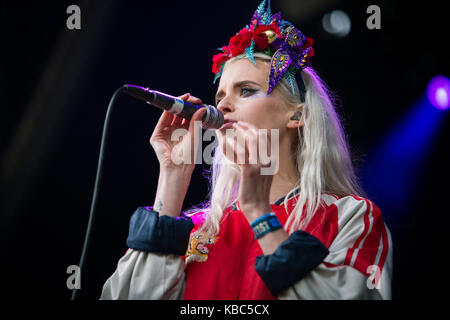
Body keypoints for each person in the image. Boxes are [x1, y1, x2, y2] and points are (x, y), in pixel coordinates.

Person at [100, 0, 392, 300]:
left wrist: (259, 212)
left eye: (247, 91)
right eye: (221, 95)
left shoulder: (347, 216)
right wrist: (172, 178)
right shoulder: (194, 228)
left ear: (297, 115)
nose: (223, 105)